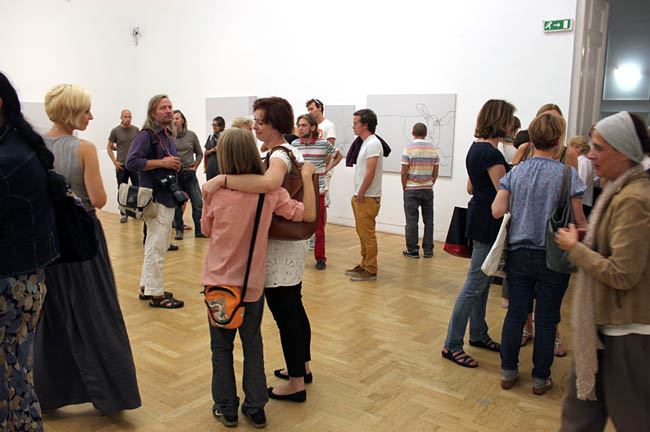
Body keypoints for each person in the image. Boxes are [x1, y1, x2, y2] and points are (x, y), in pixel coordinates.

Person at [34, 83, 141, 414]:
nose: (91, 117)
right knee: (96, 309)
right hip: (81, 237)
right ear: (71, 112)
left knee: (51, 314)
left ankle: (49, 392)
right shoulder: (83, 149)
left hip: (47, 239)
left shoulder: (35, 145)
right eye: (85, 111)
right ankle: (112, 393)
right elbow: (98, 199)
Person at [202, 128, 316, 428]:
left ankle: (226, 407)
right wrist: (307, 178)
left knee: (221, 347)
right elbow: (306, 215)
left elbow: (206, 229)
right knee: (252, 344)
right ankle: (255, 407)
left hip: (218, 282)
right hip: (252, 283)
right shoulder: (270, 194)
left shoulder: (214, 192)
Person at [557, 112, 650, 431]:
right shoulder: (620, 192)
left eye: (599, 148)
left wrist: (576, 249)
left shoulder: (634, 199)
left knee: (633, 420)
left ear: (623, 152)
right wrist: (592, 240)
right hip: (602, 328)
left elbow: (623, 274)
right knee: (578, 416)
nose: (591, 155)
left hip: (627, 335)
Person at [492, 113, 586, 395]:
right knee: (547, 318)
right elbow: (579, 221)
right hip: (554, 255)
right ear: (558, 141)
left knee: (516, 315)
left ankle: (508, 372)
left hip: (519, 254)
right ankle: (540, 379)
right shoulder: (568, 175)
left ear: (531, 139)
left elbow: (497, 210)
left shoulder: (516, 172)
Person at [0, 72, 59, 431]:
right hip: (23, 278)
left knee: (12, 378)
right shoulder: (19, 148)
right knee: (15, 370)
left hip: (12, 283)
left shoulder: (10, 159)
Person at [441, 99, 515, 368]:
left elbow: (471, 187)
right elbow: (503, 194)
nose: (512, 126)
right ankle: (452, 345)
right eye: (510, 120)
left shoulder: (476, 148)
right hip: (488, 222)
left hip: (479, 217)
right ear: (500, 121)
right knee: (475, 284)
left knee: (481, 282)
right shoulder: (492, 154)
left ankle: (479, 333)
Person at [126, 94, 185, 309]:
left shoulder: (168, 136)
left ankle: (147, 287)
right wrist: (163, 163)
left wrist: (174, 165)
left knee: (154, 244)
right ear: (153, 113)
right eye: (163, 108)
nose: (168, 111)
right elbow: (131, 162)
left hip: (166, 197)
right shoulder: (146, 135)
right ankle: (156, 294)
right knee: (158, 247)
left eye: (170, 107)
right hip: (156, 198)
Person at [291, 113, 342, 270]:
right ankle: (296, 257)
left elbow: (338, 156)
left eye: (304, 125)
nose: (300, 128)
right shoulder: (294, 144)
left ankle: (320, 258)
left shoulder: (323, 144)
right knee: (297, 226)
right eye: (299, 125)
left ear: (313, 127)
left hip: (318, 191)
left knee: (319, 228)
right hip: (300, 191)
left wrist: (327, 169)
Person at [346, 109, 383, 281]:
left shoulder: (373, 144)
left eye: (356, 123)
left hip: (367, 197)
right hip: (361, 196)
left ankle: (371, 268)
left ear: (365, 125)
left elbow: (371, 172)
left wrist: (361, 193)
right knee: (362, 233)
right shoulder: (366, 143)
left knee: (367, 235)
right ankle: (364, 264)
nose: (353, 126)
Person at [401, 122, 439, 258]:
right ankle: (428, 250)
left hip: (411, 189)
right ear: (426, 134)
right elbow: (435, 172)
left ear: (412, 133)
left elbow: (404, 172)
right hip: (427, 189)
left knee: (411, 220)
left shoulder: (408, 149)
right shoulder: (433, 150)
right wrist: (430, 183)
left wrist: (404, 186)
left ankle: (413, 250)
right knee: (429, 220)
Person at [171, 109, 205, 240]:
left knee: (198, 203)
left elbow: (200, 153)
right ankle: (179, 230)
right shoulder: (169, 137)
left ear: (183, 120)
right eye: (173, 118)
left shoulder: (191, 135)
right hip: (176, 174)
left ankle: (199, 230)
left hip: (189, 174)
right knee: (177, 204)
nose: (175, 121)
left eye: (177, 118)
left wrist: (195, 167)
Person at [107, 109, 140, 223]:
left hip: (134, 164)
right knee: (122, 190)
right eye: (125, 117)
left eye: (129, 117)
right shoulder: (115, 131)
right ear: (121, 118)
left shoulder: (136, 130)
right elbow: (109, 147)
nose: (128, 119)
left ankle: (136, 211)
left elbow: (139, 145)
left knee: (137, 188)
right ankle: (124, 213)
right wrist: (115, 162)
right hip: (121, 165)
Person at [568, 135, 594, 218]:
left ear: (578, 148)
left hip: (582, 203)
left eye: (570, 147)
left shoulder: (583, 162)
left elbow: (581, 183)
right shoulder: (582, 161)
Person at [205, 116, 225, 181]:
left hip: (222, 167)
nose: (214, 127)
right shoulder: (211, 137)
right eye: (213, 125)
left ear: (221, 126)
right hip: (211, 167)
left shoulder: (226, 137)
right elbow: (205, 153)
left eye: (216, 125)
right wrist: (214, 149)